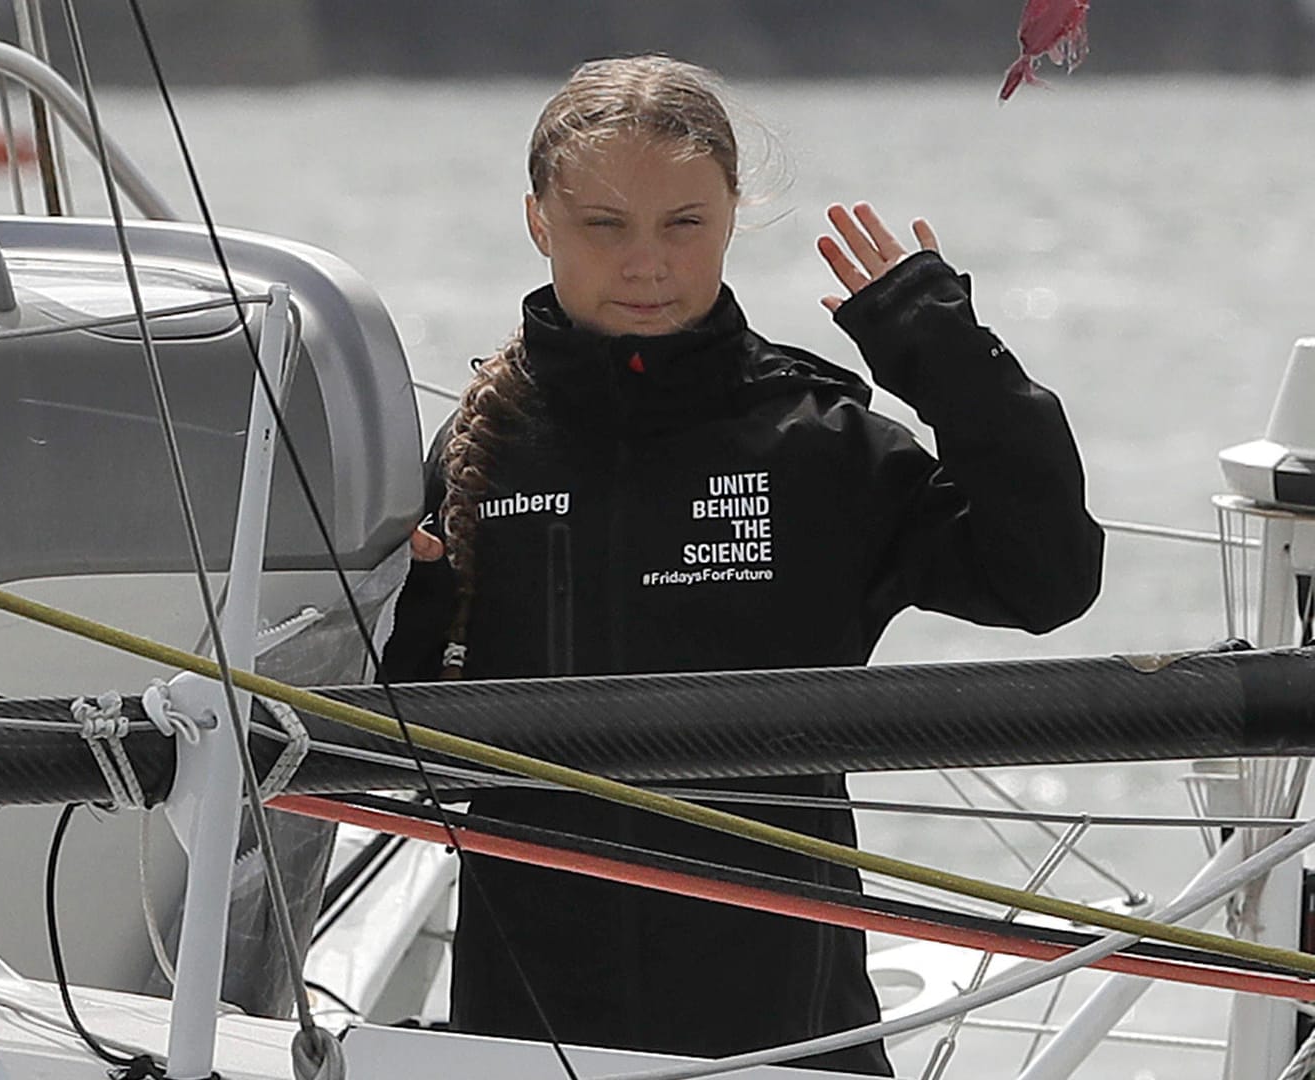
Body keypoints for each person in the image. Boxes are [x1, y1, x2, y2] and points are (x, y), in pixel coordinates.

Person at [379, 56, 1103, 1073]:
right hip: (533, 1032)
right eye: (604, 225)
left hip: (791, 1033)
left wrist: (945, 357)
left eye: (684, 223)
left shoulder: (817, 441)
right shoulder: (477, 453)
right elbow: (389, 746)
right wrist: (402, 610)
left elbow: (1049, 580)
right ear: (539, 222)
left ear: (731, 216)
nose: (648, 263)